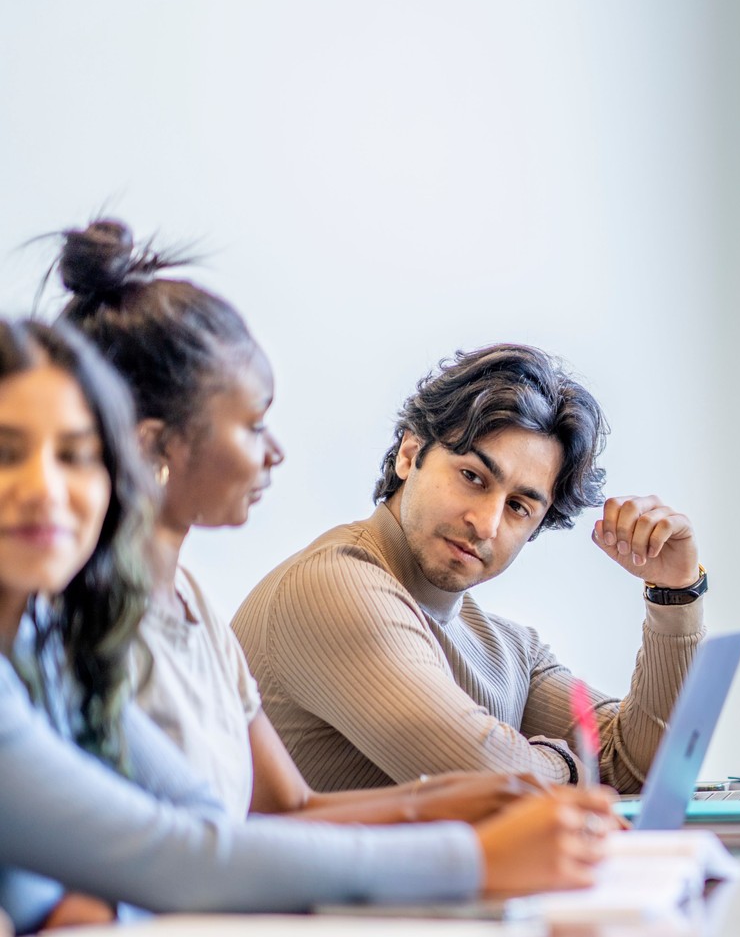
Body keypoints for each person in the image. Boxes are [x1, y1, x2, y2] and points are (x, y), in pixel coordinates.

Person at [0, 317, 606, 934]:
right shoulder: (335, 582)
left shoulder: (44, 643)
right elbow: (183, 858)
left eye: (76, 456)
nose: (46, 490)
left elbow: (209, 827)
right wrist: (474, 856)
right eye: (6, 453)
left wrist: (675, 593)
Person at [55, 219, 555, 827]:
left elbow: (289, 808)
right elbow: (204, 845)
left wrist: (478, 803)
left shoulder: (192, 604)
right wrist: (474, 843)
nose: (274, 452)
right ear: (157, 446)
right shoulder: (86, 625)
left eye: (522, 505)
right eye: (252, 425)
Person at [233, 343, 708, 792]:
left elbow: (644, 770)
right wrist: (574, 767)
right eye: (472, 477)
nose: (486, 524)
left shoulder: (509, 650)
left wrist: (673, 591)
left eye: (519, 507)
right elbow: (487, 777)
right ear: (410, 453)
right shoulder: (332, 584)